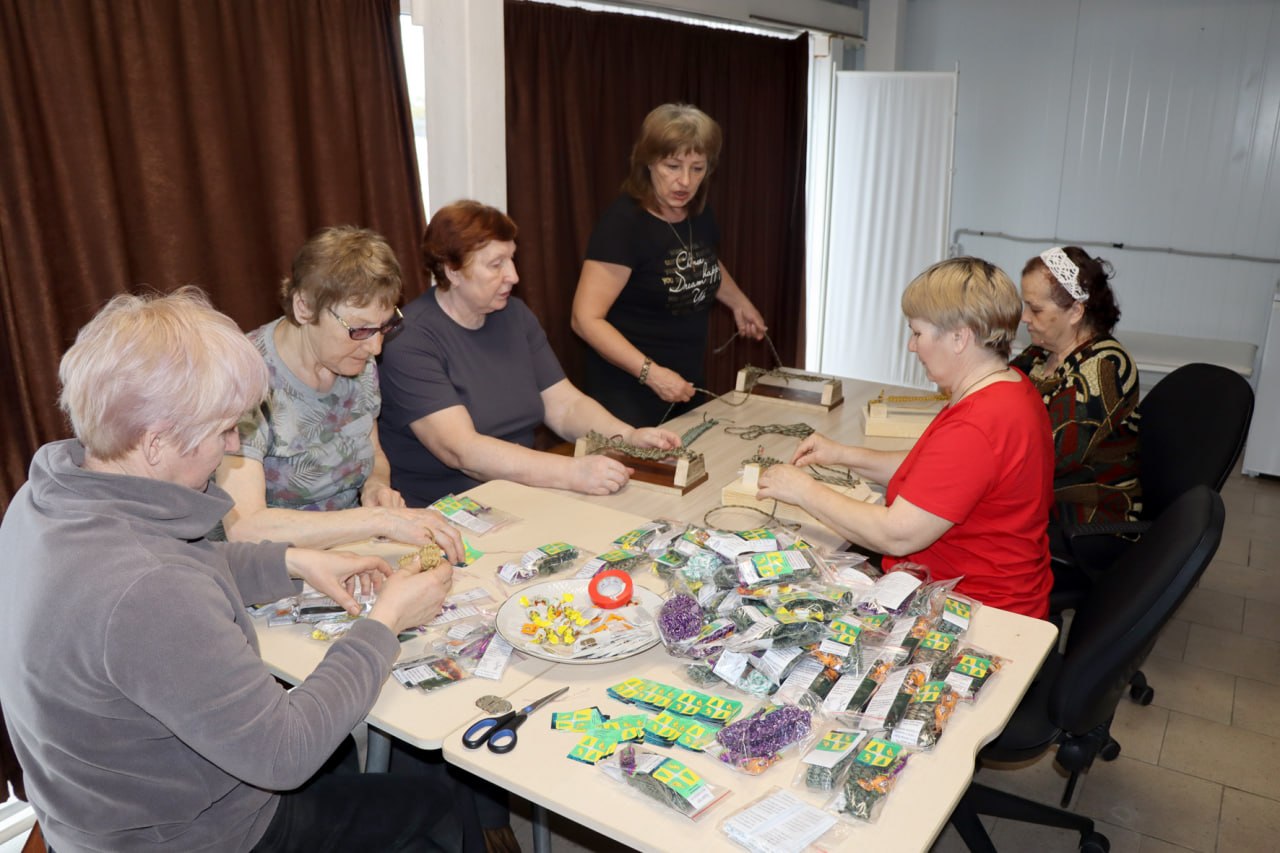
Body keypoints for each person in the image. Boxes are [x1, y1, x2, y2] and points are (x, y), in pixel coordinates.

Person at [0, 288, 470, 852]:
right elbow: (285, 755)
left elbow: (173, 563)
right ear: (155, 443)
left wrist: (291, 561)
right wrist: (385, 622)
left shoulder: (47, 497)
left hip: (98, 809)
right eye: (223, 429)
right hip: (200, 838)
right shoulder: (149, 590)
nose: (231, 445)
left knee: (347, 754)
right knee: (440, 805)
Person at [757, 257, 1055, 619]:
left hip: (976, 614)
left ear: (959, 337)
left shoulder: (977, 425)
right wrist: (842, 454)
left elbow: (896, 535)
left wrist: (802, 490)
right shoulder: (1008, 386)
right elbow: (935, 473)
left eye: (917, 333)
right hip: (991, 596)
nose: (912, 347)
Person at [379, 199, 681, 507]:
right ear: (453, 271)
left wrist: (626, 438)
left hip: (520, 492)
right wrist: (570, 472)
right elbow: (462, 451)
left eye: (511, 259)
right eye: (496, 264)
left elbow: (565, 406)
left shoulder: (514, 315)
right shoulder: (409, 340)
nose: (513, 275)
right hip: (447, 508)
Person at [213, 225, 462, 561]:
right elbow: (245, 528)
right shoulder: (244, 377)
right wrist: (377, 521)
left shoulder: (356, 360)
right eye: (359, 329)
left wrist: (375, 486)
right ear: (304, 307)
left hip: (351, 550)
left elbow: (371, 450)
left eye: (384, 327)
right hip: (273, 566)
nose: (375, 347)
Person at [571, 103, 768, 427]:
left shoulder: (699, 213)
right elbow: (584, 319)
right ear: (649, 161)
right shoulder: (624, 225)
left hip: (684, 383)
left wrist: (739, 303)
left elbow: (701, 261)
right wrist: (652, 374)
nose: (685, 181)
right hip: (628, 393)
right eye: (673, 166)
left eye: (697, 168)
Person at [1011, 246, 1141, 526]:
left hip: (1086, 517)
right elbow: (992, 398)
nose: (1024, 317)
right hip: (1038, 503)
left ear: (1075, 311)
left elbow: (1050, 457)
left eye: (1035, 309)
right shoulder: (1040, 353)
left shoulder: (1105, 367)